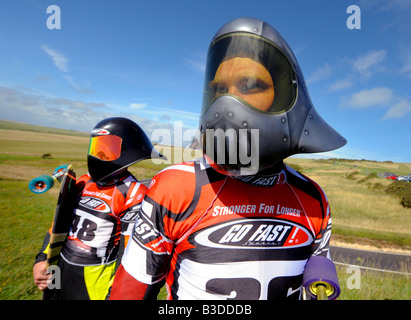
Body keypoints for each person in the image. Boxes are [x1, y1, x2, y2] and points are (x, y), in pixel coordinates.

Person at [110, 17, 346, 300]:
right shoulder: (175, 188)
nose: (227, 105)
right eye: (220, 90)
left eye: (251, 85)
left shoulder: (312, 198)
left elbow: (317, 284)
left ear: (284, 97)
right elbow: (130, 291)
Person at [33, 117, 164, 300]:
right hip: (60, 269)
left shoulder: (132, 193)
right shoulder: (84, 181)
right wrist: (41, 260)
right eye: (96, 148)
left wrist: (117, 293)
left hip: (95, 283)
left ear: (129, 152)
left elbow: (130, 254)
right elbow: (58, 225)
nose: (99, 155)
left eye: (107, 149)